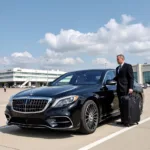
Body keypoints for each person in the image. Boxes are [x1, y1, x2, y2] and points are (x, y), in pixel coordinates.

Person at [113, 54, 134, 125]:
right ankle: (122, 120)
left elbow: (131, 77)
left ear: (122, 59)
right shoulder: (117, 68)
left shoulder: (128, 66)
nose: (117, 60)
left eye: (118, 59)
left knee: (126, 105)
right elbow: (117, 78)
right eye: (117, 59)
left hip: (125, 88)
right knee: (121, 105)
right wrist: (111, 81)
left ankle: (127, 121)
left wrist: (131, 88)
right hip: (119, 89)